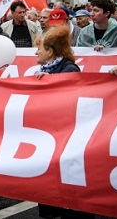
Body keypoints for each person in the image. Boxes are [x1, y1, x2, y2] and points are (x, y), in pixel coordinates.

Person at [33, 25, 93, 218]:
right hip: (52, 137)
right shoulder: (46, 70)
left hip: (66, 139)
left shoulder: (69, 69)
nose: (36, 52)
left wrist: (50, 84)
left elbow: (72, 103)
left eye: (40, 48)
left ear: (50, 51)